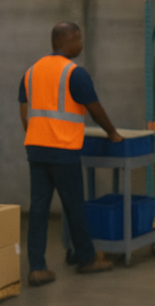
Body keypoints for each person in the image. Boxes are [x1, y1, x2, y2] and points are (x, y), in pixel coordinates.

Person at [19, 22, 119, 286]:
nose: (82, 45)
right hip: (63, 150)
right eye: (80, 39)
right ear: (70, 40)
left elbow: (24, 111)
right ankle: (86, 259)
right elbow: (94, 109)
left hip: (36, 149)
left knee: (38, 208)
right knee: (74, 205)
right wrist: (112, 132)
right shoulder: (74, 73)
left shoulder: (31, 71)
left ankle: (37, 267)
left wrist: (36, 136)